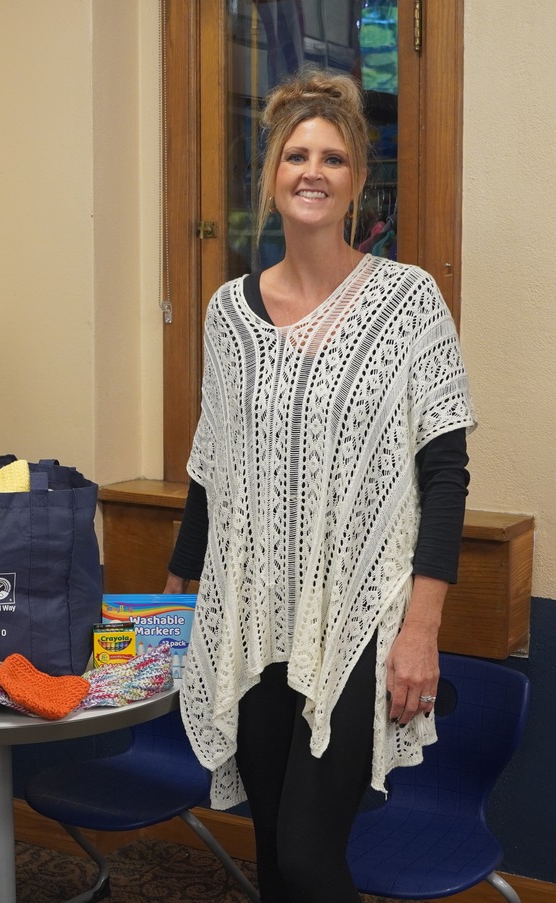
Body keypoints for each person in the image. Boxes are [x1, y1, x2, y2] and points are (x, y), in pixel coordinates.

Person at [164, 69, 475, 902]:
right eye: (295, 154)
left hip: (359, 621)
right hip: (254, 616)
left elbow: (445, 473)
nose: (312, 170)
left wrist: (423, 630)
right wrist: (176, 598)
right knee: (272, 854)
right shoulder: (227, 313)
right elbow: (210, 469)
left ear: (357, 181)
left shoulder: (408, 303)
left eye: (332, 157)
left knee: (309, 854)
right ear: (270, 175)